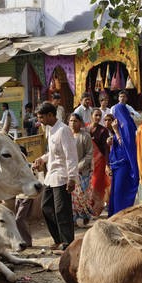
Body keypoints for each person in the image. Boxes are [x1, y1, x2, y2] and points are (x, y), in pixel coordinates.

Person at [32, 102, 78, 250]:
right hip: (51, 176)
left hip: (62, 176)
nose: (39, 120)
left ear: (50, 115)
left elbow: (71, 155)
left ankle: (68, 243)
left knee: (61, 211)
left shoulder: (63, 130)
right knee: (46, 207)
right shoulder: (49, 129)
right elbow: (52, 152)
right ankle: (58, 238)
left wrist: (72, 178)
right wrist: (42, 159)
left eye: (41, 117)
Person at [107, 100, 139, 215]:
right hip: (117, 164)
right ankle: (115, 215)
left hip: (124, 164)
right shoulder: (121, 125)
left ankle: (120, 215)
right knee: (115, 192)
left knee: (120, 192)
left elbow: (126, 146)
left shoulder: (127, 126)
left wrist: (116, 131)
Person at [68, 113, 94, 226]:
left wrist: (79, 167)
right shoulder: (67, 136)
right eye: (71, 121)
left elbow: (89, 154)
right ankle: (73, 219)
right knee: (72, 197)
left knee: (82, 196)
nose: (72, 123)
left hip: (82, 172)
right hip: (69, 172)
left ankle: (85, 216)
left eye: (75, 121)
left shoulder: (85, 136)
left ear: (80, 123)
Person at [88, 108, 111, 217]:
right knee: (88, 185)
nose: (98, 117)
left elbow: (106, 149)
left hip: (100, 162)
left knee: (97, 184)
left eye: (99, 115)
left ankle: (96, 209)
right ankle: (88, 209)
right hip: (87, 162)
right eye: (96, 115)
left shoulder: (103, 130)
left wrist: (107, 164)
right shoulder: (85, 129)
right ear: (91, 116)